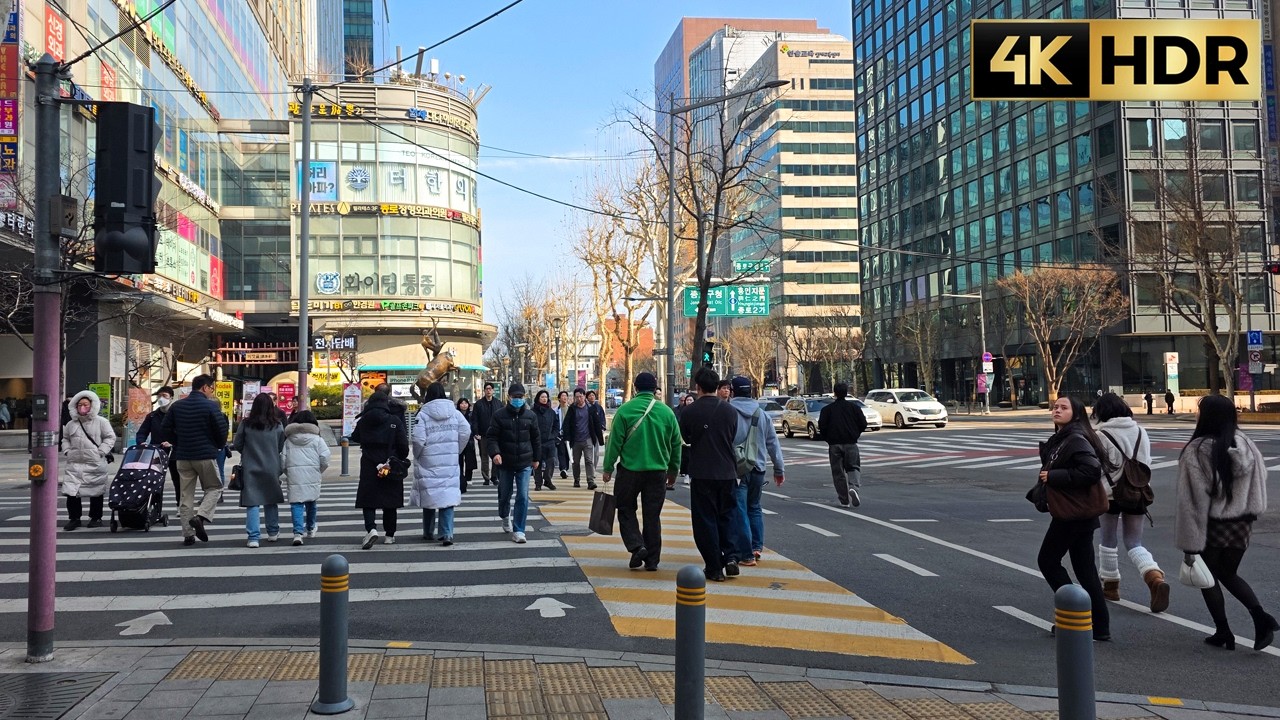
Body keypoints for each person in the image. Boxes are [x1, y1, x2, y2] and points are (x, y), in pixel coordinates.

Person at [1176, 394, 1276, 651]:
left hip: (1213, 523)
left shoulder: (1198, 449)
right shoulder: (1245, 443)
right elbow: (1259, 479)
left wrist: (1190, 542)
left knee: (1208, 577)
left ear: (1207, 415)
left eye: (1199, 410)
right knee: (1227, 572)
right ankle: (1260, 617)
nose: (1196, 414)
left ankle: (1223, 631)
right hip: (1242, 522)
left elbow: (1193, 501)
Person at [1036, 396, 1112, 642]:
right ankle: (1099, 626)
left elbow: (1091, 470)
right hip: (1079, 512)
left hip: (1072, 514)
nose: (1056, 410)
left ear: (1076, 413)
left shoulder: (1076, 438)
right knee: (1085, 570)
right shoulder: (1066, 437)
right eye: (1055, 407)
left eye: (1063, 407)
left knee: (1047, 561)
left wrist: (1055, 476)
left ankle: (1075, 613)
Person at [1092, 393, 1168, 613]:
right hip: (1136, 492)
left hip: (1110, 494)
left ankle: (1111, 586)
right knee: (1134, 541)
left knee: (1108, 540)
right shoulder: (1141, 431)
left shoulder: (1101, 435)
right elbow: (1145, 462)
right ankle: (1154, 577)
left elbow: (1096, 467)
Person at [601, 372, 683, 571]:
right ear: (655, 389)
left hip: (630, 471)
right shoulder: (667, 413)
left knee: (626, 509)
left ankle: (637, 546)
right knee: (652, 516)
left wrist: (608, 467)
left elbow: (614, 443)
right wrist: (673, 470)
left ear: (636, 388)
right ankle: (652, 560)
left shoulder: (625, 410)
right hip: (658, 473)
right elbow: (676, 445)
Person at [678, 368, 742, 582]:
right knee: (729, 515)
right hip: (727, 471)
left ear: (697, 387)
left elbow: (685, 438)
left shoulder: (688, 412)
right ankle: (731, 556)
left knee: (705, 520)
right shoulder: (730, 411)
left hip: (702, 472)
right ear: (718, 387)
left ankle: (714, 566)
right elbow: (733, 437)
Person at [162, 374, 228, 546]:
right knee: (215, 487)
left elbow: (165, 428)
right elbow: (221, 430)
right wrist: (217, 445)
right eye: (212, 388)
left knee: (186, 495)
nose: (212, 391)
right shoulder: (210, 406)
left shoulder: (177, 406)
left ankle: (188, 534)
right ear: (205, 387)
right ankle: (201, 516)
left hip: (182, 456)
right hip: (205, 455)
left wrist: (177, 442)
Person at [728, 376, 785, 565]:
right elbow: (773, 443)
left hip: (737, 469)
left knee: (740, 509)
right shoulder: (763, 414)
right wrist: (779, 469)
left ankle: (746, 554)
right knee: (754, 507)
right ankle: (756, 546)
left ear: (733, 391)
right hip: (759, 467)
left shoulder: (728, 413)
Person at [411, 382, 471, 547]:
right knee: (447, 495)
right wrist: (456, 449)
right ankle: (446, 533)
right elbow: (466, 431)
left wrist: (418, 454)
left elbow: (417, 439)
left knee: (429, 493)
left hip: (428, 460)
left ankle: (428, 532)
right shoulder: (455, 413)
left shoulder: (423, 414)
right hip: (449, 461)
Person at [351, 389, 409, 549]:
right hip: (389, 464)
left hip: (369, 464)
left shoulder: (363, 421)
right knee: (390, 499)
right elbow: (403, 445)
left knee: (368, 498)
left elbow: (354, 437)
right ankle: (389, 535)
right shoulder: (394, 420)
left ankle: (371, 529)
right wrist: (399, 458)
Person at [486, 382, 540, 543]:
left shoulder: (531, 416)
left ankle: (519, 530)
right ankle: (504, 514)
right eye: (515, 397)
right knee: (505, 494)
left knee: (523, 496)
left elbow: (536, 439)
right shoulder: (499, 415)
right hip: (505, 462)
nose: (518, 399)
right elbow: (492, 437)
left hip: (524, 462)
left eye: (520, 397)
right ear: (508, 397)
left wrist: (536, 458)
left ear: (525, 398)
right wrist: (495, 453)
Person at [233, 394, 286, 548]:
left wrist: (248, 452)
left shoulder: (246, 424)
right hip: (271, 466)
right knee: (271, 500)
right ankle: (272, 532)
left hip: (251, 467)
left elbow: (238, 444)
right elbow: (280, 445)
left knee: (252, 503)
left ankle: (253, 537)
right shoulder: (277, 425)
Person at [60, 390, 117, 530]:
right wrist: (67, 450)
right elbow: (65, 438)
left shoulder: (101, 422)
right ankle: (74, 518)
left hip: (95, 463)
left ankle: (96, 518)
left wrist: (101, 451)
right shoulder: (71, 424)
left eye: (85, 404)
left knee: (96, 491)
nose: (82, 407)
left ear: (92, 405)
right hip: (74, 463)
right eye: (79, 404)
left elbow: (110, 437)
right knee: (72, 492)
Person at [281, 409, 329, 546]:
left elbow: (283, 461)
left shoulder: (289, 441)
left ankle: (297, 533)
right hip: (312, 473)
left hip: (295, 475)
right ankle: (311, 528)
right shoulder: (318, 440)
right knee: (311, 501)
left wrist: (288, 472)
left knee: (296, 503)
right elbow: (325, 458)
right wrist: (319, 470)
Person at [818, 383, 868, 508]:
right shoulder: (854, 408)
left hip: (834, 444)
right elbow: (863, 424)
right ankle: (854, 487)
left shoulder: (827, 410)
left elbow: (822, 427)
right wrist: (855, 434)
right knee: (853, 467)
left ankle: (844, 500)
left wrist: (828, 439)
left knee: (838, 472)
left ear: (834, 393)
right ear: (847, 392)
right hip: (851, 442)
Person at [136, 386, 178, 510]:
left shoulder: (177, 414)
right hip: (156, 452)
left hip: (174, 452)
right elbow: (142, 432)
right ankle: (154, 507)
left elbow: (183, 432)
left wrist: (173, 443)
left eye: (164, 396)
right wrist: (142, 442)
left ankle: (180, 505)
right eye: (159, 396)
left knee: (178, 481)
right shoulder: (152, 416)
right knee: (155, 481)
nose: (161, 399)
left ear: (171, 397)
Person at [564, 388, 602, 489]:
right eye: (577, 397)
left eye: (581, 396)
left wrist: (600, 439)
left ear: (584, 396)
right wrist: (566, 437)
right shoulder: (572, 409)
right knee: (575, 461)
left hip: (588, 438)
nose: (579, 399)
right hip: (576, 440)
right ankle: (577, 479)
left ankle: (590, 481)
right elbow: (566, 424)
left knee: (589, 460)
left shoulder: (591, 408)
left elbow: (597, 423)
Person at [472, 383, 501, 484]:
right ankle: (486, 477)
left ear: (493, 390)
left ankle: (494, 476)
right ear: (484, 391)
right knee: (484, 456)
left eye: (490, 389)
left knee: (496, 455)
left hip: (497, 435)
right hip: (483, 434)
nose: (488, 391)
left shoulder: (498, 403)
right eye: (487, 389)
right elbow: (475, 419)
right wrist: (476, 432)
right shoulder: (479, 404)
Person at [532, 390, 559, 491]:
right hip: (537, 441)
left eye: (546, 397)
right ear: (538, 398)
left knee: (551, 461)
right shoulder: (532, 412)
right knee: (537, 462)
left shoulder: (551, 412)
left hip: (550, 441)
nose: (544, 399)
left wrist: (553, 435)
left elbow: (556, 426)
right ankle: (538, 483)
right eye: (542, 397)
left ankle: (548, 480)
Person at [456, 398, 477, 493]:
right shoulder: (456, 415)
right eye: (462, 403)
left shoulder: (472, 415)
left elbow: (474, 425)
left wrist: (475, 433)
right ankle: (461, 478)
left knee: (470, 461)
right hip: (458, 440)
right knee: (459, 461)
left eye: (465, 403)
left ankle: (469, 478)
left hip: (469, 441)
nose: (464, 405)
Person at [675, 393, 695, 487]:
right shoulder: (680, 411)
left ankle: (690, 474)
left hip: (694, 438)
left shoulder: (697, 411)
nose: (689, 402)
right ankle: (686, 474)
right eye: (688, 400)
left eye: (691, 400)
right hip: (684, 437)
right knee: (686, 457)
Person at [555, 391, 571, 479]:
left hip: (569, 434)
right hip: (559, 434)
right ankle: (563, 469)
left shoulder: (571, 409)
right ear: (559, 398)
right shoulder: (556, 411)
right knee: (561, 451)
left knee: (568, 452)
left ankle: (566, 468)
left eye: (566, 396)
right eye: (562, 396)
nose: (564, 397)